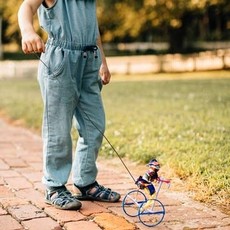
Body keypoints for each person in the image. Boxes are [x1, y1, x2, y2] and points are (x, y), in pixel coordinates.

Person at [18, 0, 120, 210]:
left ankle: (85, 183)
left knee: (95, 125)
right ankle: (54, 187)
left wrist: (103, 61)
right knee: (58, 129)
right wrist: (28, 31)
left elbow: (93, 29)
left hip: (89, 61)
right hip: (60, 61)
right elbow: (26, 7)